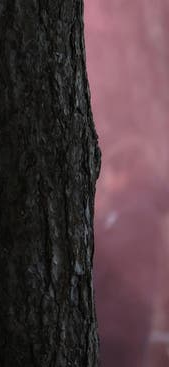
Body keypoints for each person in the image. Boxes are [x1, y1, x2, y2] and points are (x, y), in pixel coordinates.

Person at [94, 143, 169, 366]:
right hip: (116, 323)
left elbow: (113, 261)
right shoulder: (123, 211)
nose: (106, 181)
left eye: (111, 173)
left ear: (126, 173)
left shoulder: (138, 214)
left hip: (121, 327)